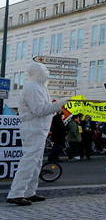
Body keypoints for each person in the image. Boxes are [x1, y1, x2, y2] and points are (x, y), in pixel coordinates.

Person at [6, 62, 68, 206]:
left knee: (36, 161)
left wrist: (55, 106)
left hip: (39, 129)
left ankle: (29, 192)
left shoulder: (40, 87)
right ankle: (16, 193)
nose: (47, 71)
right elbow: (39, 110)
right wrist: (59, 104)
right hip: (32, 128)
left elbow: (44, 109)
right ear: (36, 72)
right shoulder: (32, 87)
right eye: (44, 69)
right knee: (29, 160)